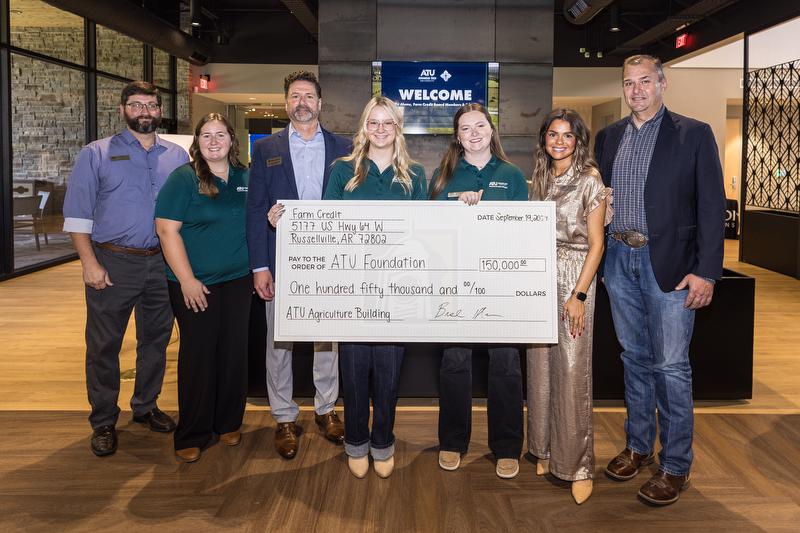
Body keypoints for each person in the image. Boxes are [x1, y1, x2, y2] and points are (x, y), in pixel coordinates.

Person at [594, 55, 725, 506]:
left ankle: (675, 465)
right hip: (617, 260)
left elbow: (711, 205)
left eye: (645, 81)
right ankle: (637, 446)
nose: (636, 90)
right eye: (629, 83)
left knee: (670, 366)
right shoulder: (608, 137)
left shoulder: (693, 134)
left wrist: (706, 271)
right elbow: (599, 197)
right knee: (634, 358)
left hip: (668, 266)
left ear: (662, 84)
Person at [63, 81, 188, 456]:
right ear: (123, 110)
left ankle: (145, 406)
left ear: (160, 109)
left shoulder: (176, 157)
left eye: (151, 105)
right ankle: (103, 420)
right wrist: (89, 264)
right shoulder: (96, 153)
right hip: (112, 261)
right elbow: (78, 216)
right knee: (104, 345)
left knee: (156, 340)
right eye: (136, 105)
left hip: (161, 263)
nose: (145, 111)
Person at [246, 71, 351, 459]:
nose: (302, 102)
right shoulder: (266, 148)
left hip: (330, 263)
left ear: (320, 104)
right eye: (295, 96)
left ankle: (326, 409)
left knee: (329, 339)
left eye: (309, 96)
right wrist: (260, 265)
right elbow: (255, 208)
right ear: (286, 103)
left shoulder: (345, 147)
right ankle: (284, 416)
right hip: (280, 260)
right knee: (280, 340)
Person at [323, 96, 427, 478]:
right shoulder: (342, 171)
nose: (380, 130)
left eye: (388, 123)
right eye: (373, 122)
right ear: (363, 127)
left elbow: (423, 236)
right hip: (353, 286)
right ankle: (355, 442)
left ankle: (382, 442)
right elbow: (324, 225)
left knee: (388, 370)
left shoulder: (414, 175)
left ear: (397, 128)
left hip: (397, 288)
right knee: (353, 370)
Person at [429, 103, 528, 479]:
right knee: (454, 363)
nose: (473, 133)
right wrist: (458, 205)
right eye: (465, 128)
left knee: (505, 365)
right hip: (454, 285)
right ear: (457, 136)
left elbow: (524, 230)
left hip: (501, 286)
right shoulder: (444, 174)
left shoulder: (512, 175)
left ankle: (506, 446)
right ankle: (452, 442)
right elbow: (431, 227)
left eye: (480, 125)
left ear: (491, 130)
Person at [527, 108, 612, 504]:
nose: (558, 141)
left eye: (567, 135)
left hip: (576, 276)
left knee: (573, 367)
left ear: (578, 139)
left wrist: (578, 294)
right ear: (544, 139)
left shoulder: (589, 180)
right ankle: (543, 449)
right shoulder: (542, 175)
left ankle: (577, 464)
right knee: (540, 363)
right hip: (539, 273)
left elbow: (597, 244)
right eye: (552, 135)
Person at [155, 114, 251, 463]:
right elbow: (167, 231)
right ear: (197, 142)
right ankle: (192, 432)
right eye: (206, 135)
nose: (214, 141)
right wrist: (187, 280)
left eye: (220, 134)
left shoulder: (245, 176)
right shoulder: (183, 178)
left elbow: (254, 219)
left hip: (239, 281)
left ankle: (228, 422)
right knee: (198, 355)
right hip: (196, 284)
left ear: (231, 139)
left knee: (233, 353)